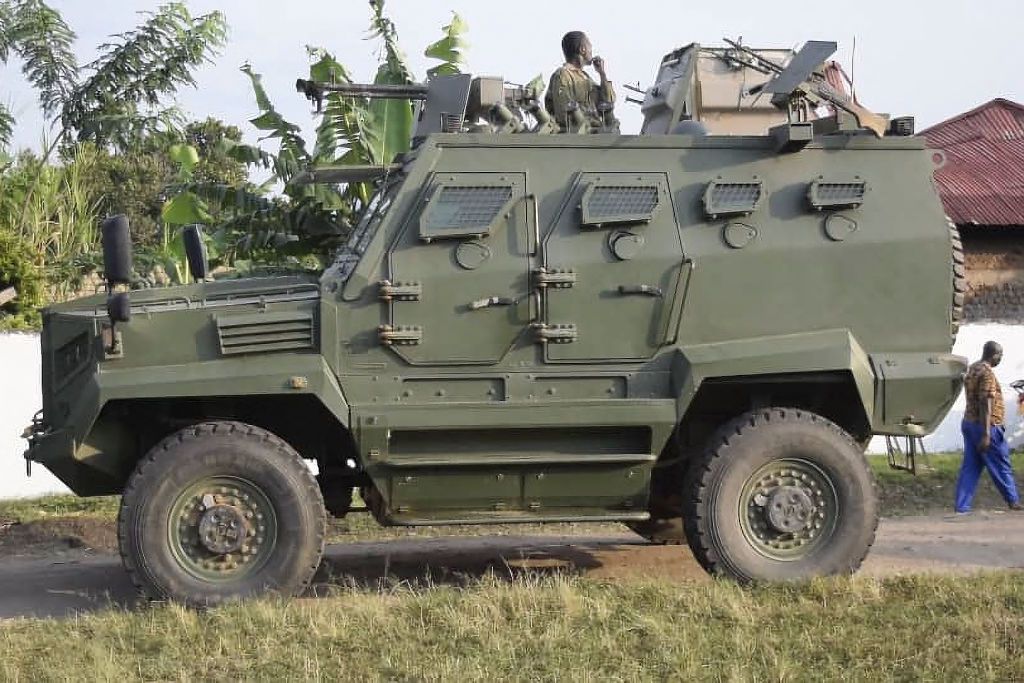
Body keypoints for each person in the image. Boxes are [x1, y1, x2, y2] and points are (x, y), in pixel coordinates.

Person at [955, 341, 1022, 513]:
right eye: (1000, 355)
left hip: (969, 423)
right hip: (986, 426)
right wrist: (986, 433)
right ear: (994, 355)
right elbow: (986, 402)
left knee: (971, 466)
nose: (1001, 359)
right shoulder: (987, 374)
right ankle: (1013, 501)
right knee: (1001, 464)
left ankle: (962, 506)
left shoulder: (973, 369)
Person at [544, 31, 616, 131]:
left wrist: (602, 74)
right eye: (589, 45)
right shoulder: (563, 75)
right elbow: (563, 114)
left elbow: (609, 102)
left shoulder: (585, 78)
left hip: (596, 135)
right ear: (582, 49)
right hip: (578, 138)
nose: (591, 49)